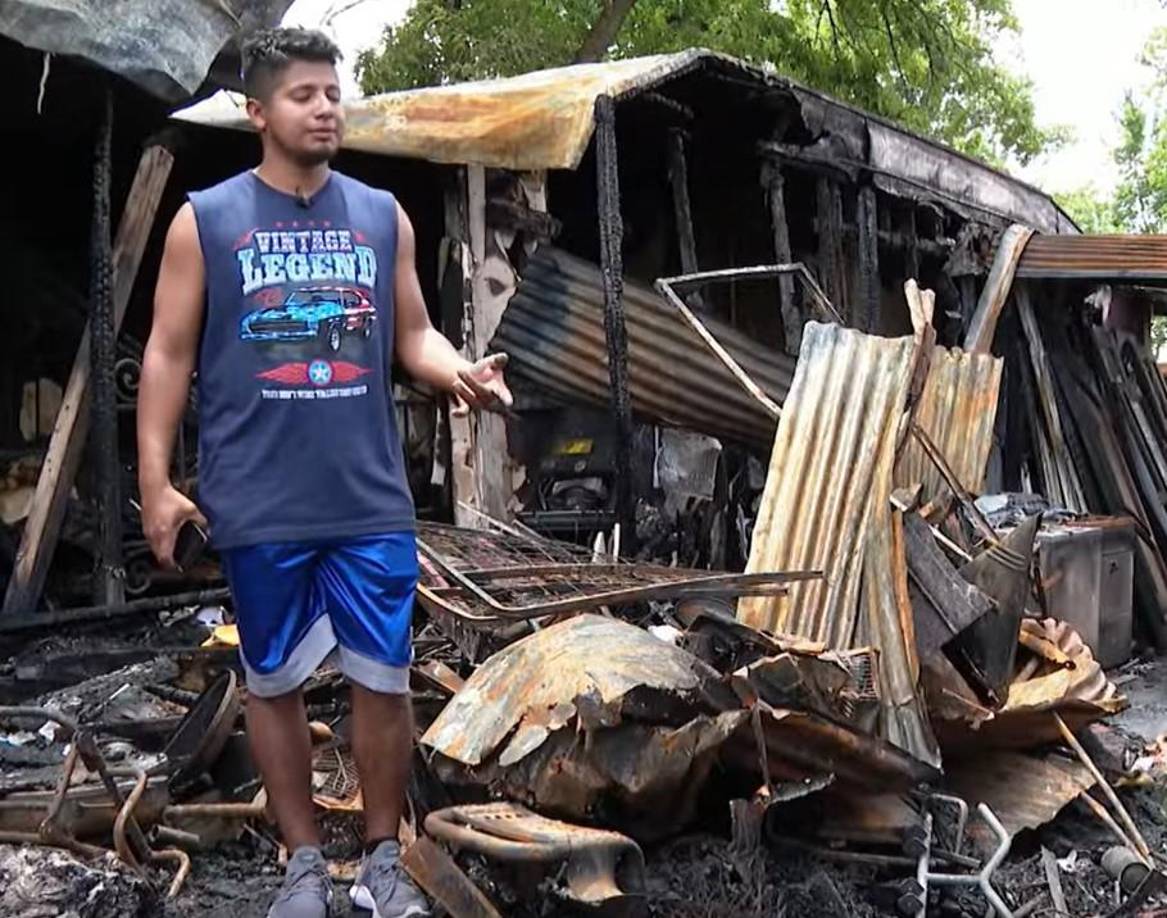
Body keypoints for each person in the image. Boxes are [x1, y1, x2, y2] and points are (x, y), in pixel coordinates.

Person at [137, 27, 511, 918]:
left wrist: (456, 367)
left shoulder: (381, 215)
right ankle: (303, 863)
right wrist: (156, 482)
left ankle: (383, 859)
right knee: (272, 680)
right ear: (259, 112)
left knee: (383, 676)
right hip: (257, 496)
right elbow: (165, 354)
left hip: (367, 494)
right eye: (304, 95)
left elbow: (412, 333)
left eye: (332, 92)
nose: (326, 108)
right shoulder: (207, 220)